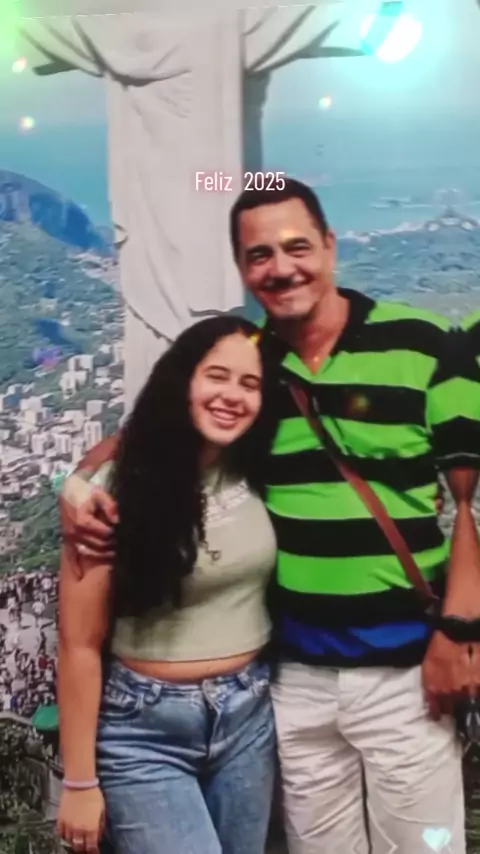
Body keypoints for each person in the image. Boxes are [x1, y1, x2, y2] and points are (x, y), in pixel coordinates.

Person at [62, 179, 480, 854]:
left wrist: (459, 632)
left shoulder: (423, 342)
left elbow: (465, 500)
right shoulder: (251, 361)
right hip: (292, 682)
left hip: (407, 674)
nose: (281, 267)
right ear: (242, 267)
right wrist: (75, 483)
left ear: (330, 246)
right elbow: (149, 432)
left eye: (297, 247)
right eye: (260, 254)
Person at [56, 315, 280, 854]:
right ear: (183, 381)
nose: (232, 395)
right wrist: (80, 782)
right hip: (144, 731)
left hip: (250, 720)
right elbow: (78, 644)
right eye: (216, 376)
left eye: (249, 384)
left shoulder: (258, 468)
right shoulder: (115, 492)